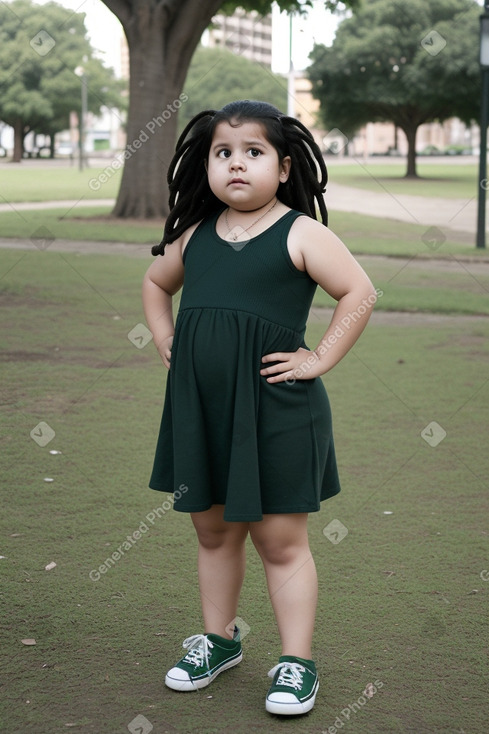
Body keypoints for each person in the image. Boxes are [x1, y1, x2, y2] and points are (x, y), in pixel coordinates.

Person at [142, 100, 376, 717]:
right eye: (224, 153)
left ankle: (297, 663)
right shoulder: (193, 235)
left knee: (280, 539)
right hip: (204, 411)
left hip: (276, 411)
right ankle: (219, 642)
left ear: (284, 165)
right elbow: (155, 283)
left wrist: (318, 358)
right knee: (213, 531)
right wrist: (166, 337)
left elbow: (360, 291)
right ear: (207, 165)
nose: (236, 164)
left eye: (254, 152)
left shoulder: (300, 231)